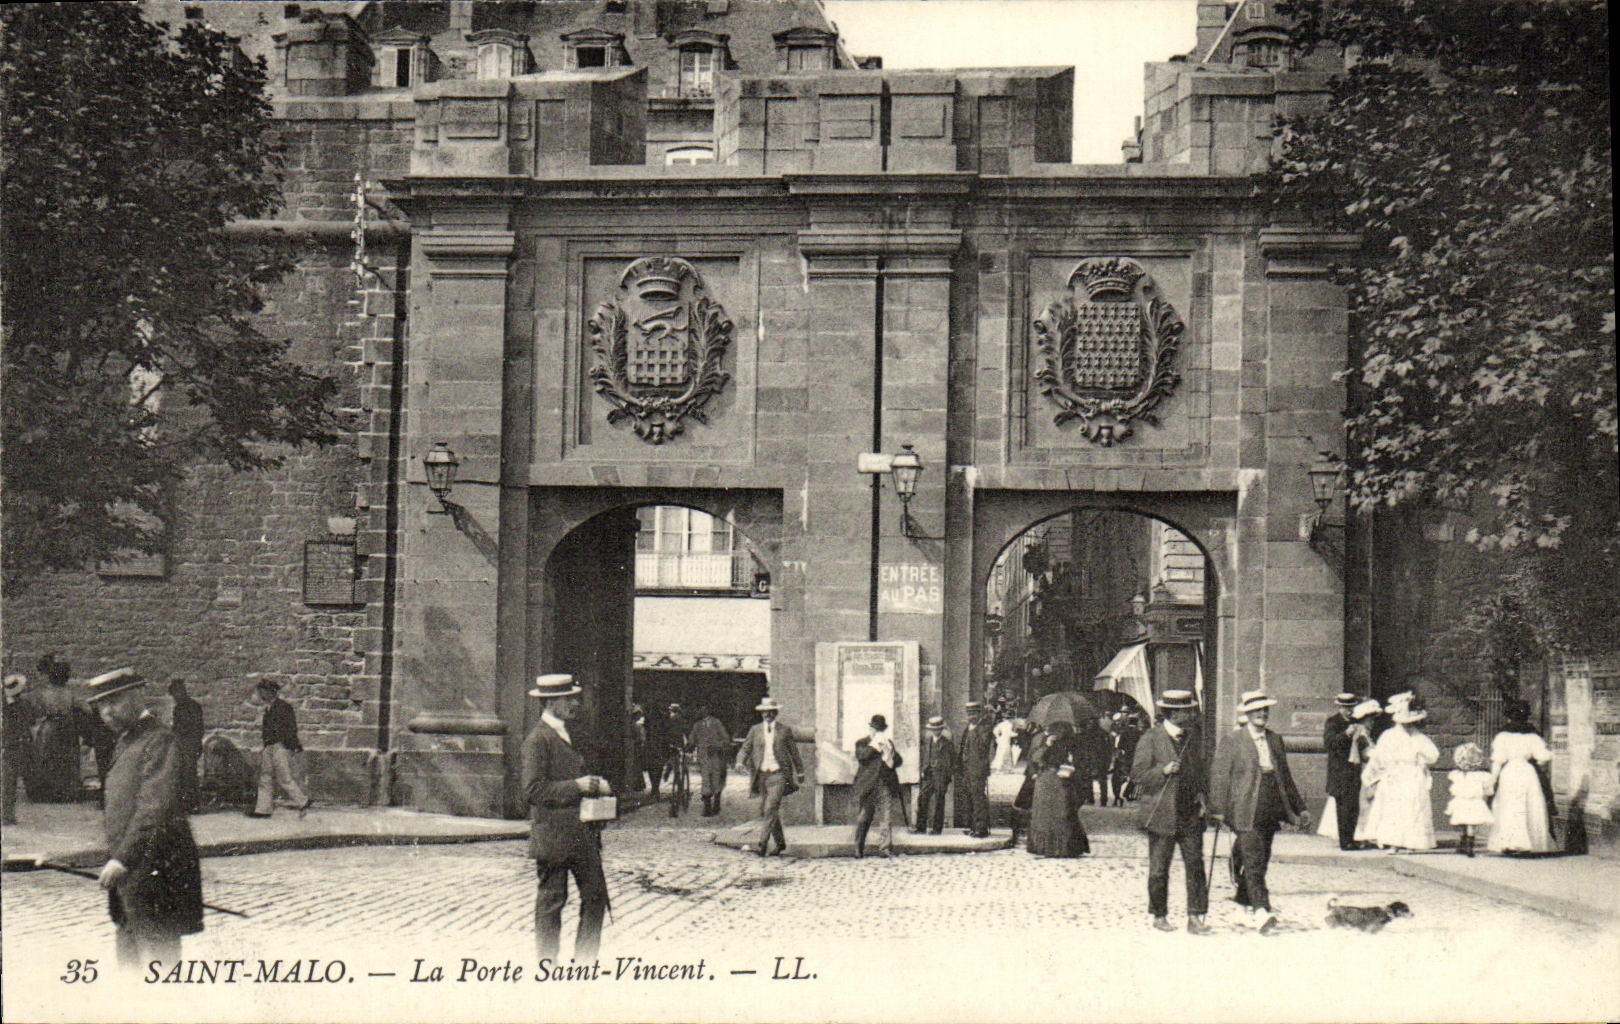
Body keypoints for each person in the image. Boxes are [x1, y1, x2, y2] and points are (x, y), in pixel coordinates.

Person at [83, 668, 204, 968]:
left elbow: (154, 808)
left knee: (159, 964)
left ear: (137, 696)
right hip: (132, 879)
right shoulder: (128, 741)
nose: (107, 711)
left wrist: (123, 858)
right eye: (101, 705)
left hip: (156, 875)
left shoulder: (159, 740)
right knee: (130, 962)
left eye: (115, 701)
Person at [521, 673, 612, 962]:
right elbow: (533, 790)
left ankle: (585, 963)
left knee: (596, 897)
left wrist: (596, 784)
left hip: (582, 836)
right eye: (568, 699)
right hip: (554, 838)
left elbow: (580, 777)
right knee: (551, 902)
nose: (574, 703)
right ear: (552, 702)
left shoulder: (571, 733)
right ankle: (546, 965)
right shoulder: (537, 740)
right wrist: (579, 786)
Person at [1210, 691, 1309, 933]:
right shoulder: (1233, 740)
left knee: (1261, 860)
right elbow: (1220, 776)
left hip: (1270, 807)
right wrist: (1218, 810)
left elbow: (1285, 777)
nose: (1262, 714)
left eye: (1265, 710)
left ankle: (1241, 906)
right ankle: (1262, 912)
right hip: (1244, 809)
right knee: (1253, 861)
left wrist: (1301, 808)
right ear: (1247, 713)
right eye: (1257, 710)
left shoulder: (1275, 740)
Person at [1129, 690, 1210, 935]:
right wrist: (1162, 771)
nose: (1192, 714)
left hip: (1190, 814)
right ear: (1174, 713)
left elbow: (1202, 772)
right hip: (1162, 814)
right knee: (1159, 868)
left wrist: (1205, 798)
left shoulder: (1194, 738)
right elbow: (1137, 775)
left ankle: (1195, 917)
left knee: (1195, 865)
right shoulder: (1151, 738)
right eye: (1187, 710)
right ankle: (1159, 914)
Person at [1363, 691, 1438, 852]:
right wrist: (1377, 777)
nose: (1407, 725)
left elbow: (1433, 755)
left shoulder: (1418, 738)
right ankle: (1394, 843)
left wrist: (1421, 761)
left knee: (1412, 808)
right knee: (1394, 810)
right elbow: (1379, 757)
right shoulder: (1388, 736)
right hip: (1395, 776)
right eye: (1404, 722)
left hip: (1412, 776)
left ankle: (1412, 843)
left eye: (1410, 722)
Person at [1487, 699, 1557, 855]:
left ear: (1509, 716)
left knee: (1510, 806)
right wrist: (1539, 759)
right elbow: (1543, 756)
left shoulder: (1502, 736)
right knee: (1529, 805)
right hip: (1527, 772)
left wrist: (1492, 780)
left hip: (1510, 772)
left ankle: (1509, 842)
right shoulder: (1533, 736)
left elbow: (1497, 760)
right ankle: (1530, 842)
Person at [735, 696, 802, 858]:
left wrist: (800, 771)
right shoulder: (755, 730)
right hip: (762, 775)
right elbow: (746, 748)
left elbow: (793, 752)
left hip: (778, 774)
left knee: (770, 808)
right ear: (761, 714)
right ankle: (780, 844)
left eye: (771, 712)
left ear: (775, 713)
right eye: (765, 712)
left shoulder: (784, 730)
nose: (767, 715)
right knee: (768, 811)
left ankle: (762, 844)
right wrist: (739, 762)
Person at [1027, 719, 1090, 858]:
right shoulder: (1041, 739)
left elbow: (1079, 759)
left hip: (1061, 781)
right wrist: (1047, 745)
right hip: (1045, 780)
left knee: (1062, 813)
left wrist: (1070, 763)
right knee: (1045, 815)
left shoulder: (1070, 741)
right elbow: (1034, 758)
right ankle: (1045, 847)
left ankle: (1062, 848)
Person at [248, 680, 309, 818]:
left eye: (263, 691)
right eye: (260, 691)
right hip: (270, 746)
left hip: (280, 746)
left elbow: (291, 728)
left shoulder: (283, 707)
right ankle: (263, 809)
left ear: (271, 691)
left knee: (284, 777)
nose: (261, 694)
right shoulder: (269, 708)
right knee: (265, 777)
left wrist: (292, 746)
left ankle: (302, 801)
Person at [30, 653, 81, 802]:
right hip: (67, 728)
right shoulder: (69, 693)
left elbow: (37, 711)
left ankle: (47, 792)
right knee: (67, 758)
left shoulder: (43, 694)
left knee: (47, 757)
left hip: (49, 728)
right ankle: (66, 792)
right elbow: (82, 708)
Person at [852, 714, 905, 858]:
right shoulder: (862, 743)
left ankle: (885, 848)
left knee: (886, 818)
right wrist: (875, 745)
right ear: (870, 728)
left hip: (885, 784)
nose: (876, 732)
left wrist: (891, 754)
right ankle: (858, 847)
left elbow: (898, 761)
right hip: (868, 786)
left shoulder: (887, 742)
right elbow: (862, 756)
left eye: (879, 730)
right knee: (864, 817)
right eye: (875, 729)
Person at [1322, 692, 1366, 850]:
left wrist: (1361, 739)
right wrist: (1346, 735)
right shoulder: (1333, 722)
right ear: (1340, 707)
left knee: (1353, 807)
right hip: (1339, 773)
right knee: (1343, 808)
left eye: (1351, 707)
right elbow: (1329, 743)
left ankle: (1351, 839)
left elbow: (1360, 745)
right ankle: (1344, 842)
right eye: (1346, 707)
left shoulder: (1355, 721)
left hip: (1353, 771)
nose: (1349, 711)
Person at [1446, 741, 1494, 858]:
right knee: (1471, 824)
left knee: (1463, 822)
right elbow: (1488, 790)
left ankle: (1463, 843)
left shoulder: (1458, 775)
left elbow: (1453, 789)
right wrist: (1486, 794)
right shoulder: (1482, 776)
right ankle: (1470, 846)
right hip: (1475, 802)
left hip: (1461, 802)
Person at [956, 700, 995, 838]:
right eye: (969, 714)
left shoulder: (984, 728)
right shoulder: (969, 728)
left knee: (978, 797)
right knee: (970, 797)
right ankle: (972, 825)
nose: (971, 716)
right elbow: (963, 747)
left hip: (978, 768)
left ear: (979, 713)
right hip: (967, 768)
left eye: (973, 713)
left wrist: (974, 731)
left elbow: (982, 745)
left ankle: (981, 828)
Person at [3, 673, 39, 824]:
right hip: (21, 743)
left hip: (9, 744)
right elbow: (32, 720)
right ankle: (8, 814)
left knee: (8, 781)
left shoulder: (5, 705)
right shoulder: (24, 704)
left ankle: (7, 814)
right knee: (13, 779)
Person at [913, 715, 955, 835]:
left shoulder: (947, 743)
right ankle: (920, 827)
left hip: (941, 775)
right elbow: (925, 757)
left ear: (941, 729)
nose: (935, 731)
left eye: (937, 729)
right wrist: (923, 770)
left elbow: (950, 761)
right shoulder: (928, 741)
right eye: (933, 729)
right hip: (928, 774)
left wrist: (946, 777)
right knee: (922, 798)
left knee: (939, 801)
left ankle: (937, 829)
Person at [168, 679, 204, 815]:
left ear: (181, 691)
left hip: (189, 745)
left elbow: (195, 728)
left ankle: (193, 804)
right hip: (183, 745)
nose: (175, 697)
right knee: (183, 774)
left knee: (189, 775)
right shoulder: (179, 707)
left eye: (175, 693)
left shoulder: (192, 707)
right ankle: (186, 804)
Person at [689, 705, 731, 817]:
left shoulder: (717, 723)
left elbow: (726, 739)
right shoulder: (697, 725)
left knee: (716, 778)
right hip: (703, 756)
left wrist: (717, 746)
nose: (702, 711)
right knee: (706, 779)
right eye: (700, 709)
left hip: (716, 756)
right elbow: (691, 739)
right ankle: (707, 807)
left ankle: (716, 802)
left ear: (708, 710)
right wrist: (689, 745)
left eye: (704, 709)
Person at [1111, 711, 1141, 805]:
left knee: (1119, 777)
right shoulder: (1140, 733)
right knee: (1134, 776)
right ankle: (1127, 793)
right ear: (1136, 723)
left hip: (1125, 758)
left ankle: (1117, 795)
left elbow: (1119, 746)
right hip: (1136, 758)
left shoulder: (1124, 733)